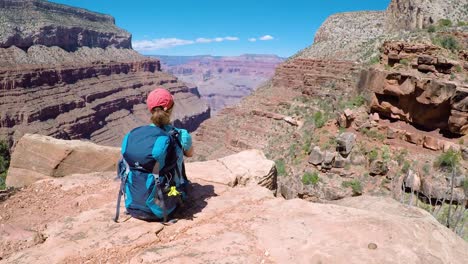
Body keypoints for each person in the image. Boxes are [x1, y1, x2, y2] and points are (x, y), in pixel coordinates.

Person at [114, 88, 193, 222]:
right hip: (167, 206)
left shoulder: (136, 136)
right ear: (170, 108)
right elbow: (190, 154)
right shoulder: (181, 135)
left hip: (134, 205)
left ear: (150, 110)